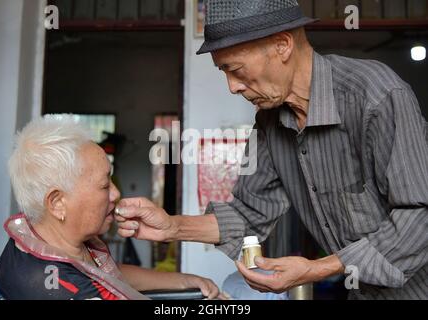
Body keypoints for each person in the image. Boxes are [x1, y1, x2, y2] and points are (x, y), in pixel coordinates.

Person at [115, 0, 428, 300]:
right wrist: (171, 226)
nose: (232, 87)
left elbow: (420, 215)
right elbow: (249, 214)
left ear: (282, 44)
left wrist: (317, 269)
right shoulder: (269, 121)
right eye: (222, 72)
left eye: (234, 69)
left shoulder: (375, 95)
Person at [0, 115, 220, 300]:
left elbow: (105, 273)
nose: (116, 193)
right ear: (57, 203)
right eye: (104, 185)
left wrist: (184, 281)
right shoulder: (65, 289)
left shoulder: (36, 234)